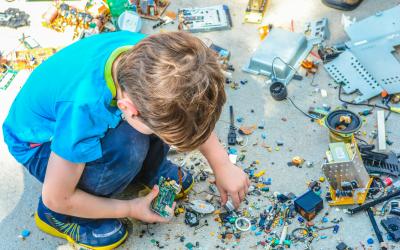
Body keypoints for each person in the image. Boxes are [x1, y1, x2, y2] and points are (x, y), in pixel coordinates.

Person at [2, 31, 250, 249]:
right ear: (127, 108)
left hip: (81, 122)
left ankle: (146, 170)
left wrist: (222, 165)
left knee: (151, 126)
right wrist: (131, 208)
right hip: (41, 145)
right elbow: (56, 196)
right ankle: (58, 218)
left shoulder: (157, 59)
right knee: (126, 148)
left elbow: (189, 112)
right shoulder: (83, 110)